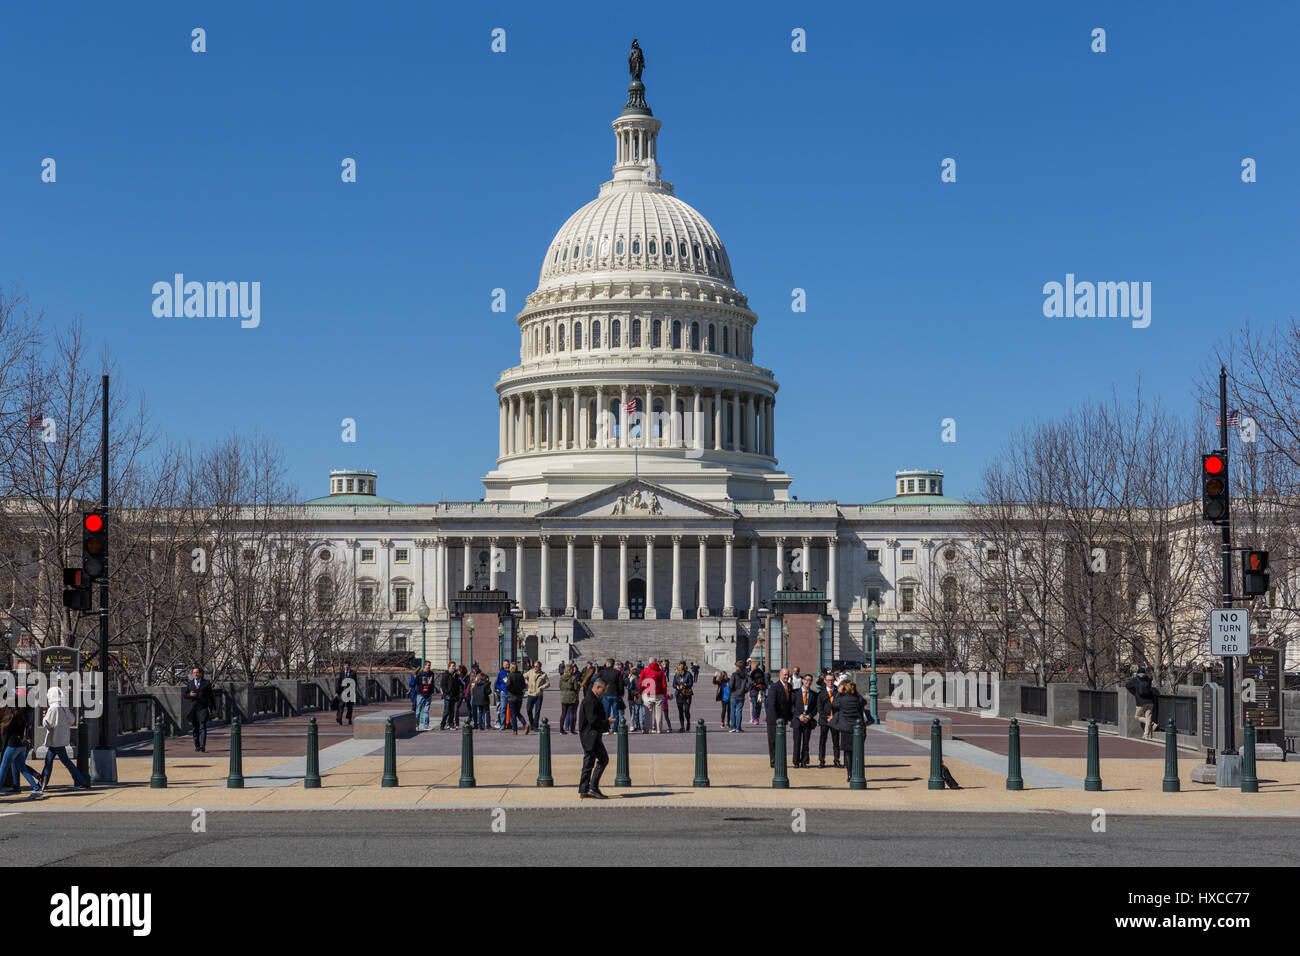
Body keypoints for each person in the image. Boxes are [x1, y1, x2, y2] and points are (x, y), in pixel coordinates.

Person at [40, 686, 89, 790]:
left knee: (64, 762)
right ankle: (43, 782)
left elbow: (48, 724)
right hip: (61, 739)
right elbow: (71, 720)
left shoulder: (53, 708)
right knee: (48, 762)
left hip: (55, 739)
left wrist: (44, 719)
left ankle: (80, 780)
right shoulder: (63, 707)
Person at [577, 678, 611, 798]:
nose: (604, 692)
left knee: (589, 762)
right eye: (603, 690)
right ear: (597, 687)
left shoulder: (592, 699)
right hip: (591, 736)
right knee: (603, 759)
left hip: (589, 736)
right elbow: (593, 720)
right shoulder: (591, 700)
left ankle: (584, 789)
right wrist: (607, 723)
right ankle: (593, 787)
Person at [829, 680, 868, 782]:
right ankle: (856, 771)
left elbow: (834, 704)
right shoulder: (857, 699)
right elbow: (864, 702)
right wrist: (856, 692)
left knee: (847, 751)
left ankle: (849, 774)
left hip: (846, 728)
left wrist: (839, 692)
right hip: (857, 728)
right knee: (857, 751)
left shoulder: (842, 699)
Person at [765, 667, 793, 768]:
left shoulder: (789, 686)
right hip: (774, 719)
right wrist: (776, 718)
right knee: (773, 741)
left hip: (783, 719)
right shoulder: (774, 687)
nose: (786, 676)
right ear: (780, 675)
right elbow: (771, 704)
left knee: (781, 741)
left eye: (787, 674)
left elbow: (789, 703)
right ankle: (773, 762)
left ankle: (780, 760)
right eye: (784, 675)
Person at [183, 666, 215, 752]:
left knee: (202, 727)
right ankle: (197, 745)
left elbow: (211, 697)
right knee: (195, 728)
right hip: (193, 709)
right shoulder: (190, 683)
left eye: (197, 672)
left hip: (203, 708)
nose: (195, 674)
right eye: (194, 673)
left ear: (200, 674)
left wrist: (213, 708)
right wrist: (190, 695)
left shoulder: (206, 683)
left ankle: (202, 746)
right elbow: (185, 695)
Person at [791, 673, 817, 768]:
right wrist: (799, 715)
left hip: (807, 721)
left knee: (806, 742)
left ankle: (804, 761)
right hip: (797, 720)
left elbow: (815, 708)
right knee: (797, 742)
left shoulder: (814, 694)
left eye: (810, 680)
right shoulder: (795, 692)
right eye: (806, 679)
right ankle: (796, 762)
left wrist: (809, 716)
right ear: (802, 680)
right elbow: (792, 706)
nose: (808, 682)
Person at [816, 672, 841, 768]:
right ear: (825, 681)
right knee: (822, 741)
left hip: (835, 721)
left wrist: (834, 717)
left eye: (832, 680)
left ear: (834, 681)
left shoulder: (838, 693)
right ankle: (822, 761)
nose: (830, 682)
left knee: (836, 742)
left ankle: (836, 760)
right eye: (828, 680)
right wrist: (826, 717)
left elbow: (840, 708)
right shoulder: (821, 694)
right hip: (824, 721)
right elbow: (819, 708)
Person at [1126, 666, 1157, 740]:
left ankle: (1152, 724)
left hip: (1140, 702)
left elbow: (1127, 685)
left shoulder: (1135, 679)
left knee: (1137, 717)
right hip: (1150, 701)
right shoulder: (1148, 679)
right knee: (1148, 717)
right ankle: (1146, 735)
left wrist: (1135, 693)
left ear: (1138, 673)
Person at [597, 658, 624, 732]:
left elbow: (597, 679)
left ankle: (606, 729)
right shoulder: (617, 672)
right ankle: (615, 729)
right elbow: (621, 685)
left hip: (605, 694)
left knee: (606, 712)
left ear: (608, 664)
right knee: (615, 713)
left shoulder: (602, 672)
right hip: (615, 694)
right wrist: (621, 694)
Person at [524, 660, 550, 733]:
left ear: (540, 667)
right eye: (534, 666)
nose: (535, 667)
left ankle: (535, 726)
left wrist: (541, 687)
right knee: (528, 710)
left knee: (537, 711)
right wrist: (527, 682)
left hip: (539, 695)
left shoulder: (543, 674)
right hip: (531, 694)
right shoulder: (530, 672)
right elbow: (523, 677)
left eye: (536, 666)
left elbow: (548, 683)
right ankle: (532, 723)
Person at [640, 660, 665, 734]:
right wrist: (664, 692)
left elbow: (641, 682)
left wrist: (640, 691)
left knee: (648, 712)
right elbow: (664, 684)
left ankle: (647, 729)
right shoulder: (660, 672)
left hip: (647, 693)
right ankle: (658, 729)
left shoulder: (644, 671)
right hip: (658, 693)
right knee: (658, 712)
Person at [505, 662, 528, 734]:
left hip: (512, 697)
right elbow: (524, 685)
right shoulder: (521, 675)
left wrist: (509, 689)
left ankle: (515, 730)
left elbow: (508, 686)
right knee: (517, 712)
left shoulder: (510, 675)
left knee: (513, 714)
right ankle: (525, 724)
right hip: (519, 697)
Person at [727, 662, 751, 732]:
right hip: (741, 695)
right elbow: (750, 683)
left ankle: (733, 727)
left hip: (734, 695)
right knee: (739, 711)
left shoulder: (734, 674)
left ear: (737, 667)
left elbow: (730, 685)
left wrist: (731, 691)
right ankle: (738, 728)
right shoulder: (746, 675)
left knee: (733, 711)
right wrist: (745, 690)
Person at [439, 662, 462, 731]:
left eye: (454, 666)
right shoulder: (446, 674)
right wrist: (446, 693)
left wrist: (458, 695)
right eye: (452, 666)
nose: (453, 667)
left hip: (454, 696)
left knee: (452, 711)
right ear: (449, 667)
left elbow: (458, 685)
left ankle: (451, 724)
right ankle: (442, 724)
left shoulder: (456, 675)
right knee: (446, 711)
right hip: (448, 696)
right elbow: (442, 685)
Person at [672, 661, 694, 732]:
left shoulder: (688, 674)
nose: (679, 671)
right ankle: (682, 727)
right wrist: (677, 686)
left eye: (680, 669)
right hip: (679, 695)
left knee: (686, 711)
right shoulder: (676, 675)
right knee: (680, 711)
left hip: (687, 695)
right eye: (678, 669)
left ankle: (688, 722)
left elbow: (691, 683)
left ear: (683, 669)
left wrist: (684, 685)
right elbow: (674, 684)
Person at [335, 659, 358, 725]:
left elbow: (355, 683)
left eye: (347, 665)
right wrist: (337, 692)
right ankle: (339, 719)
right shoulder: (341, 673)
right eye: (345, 665)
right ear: (344, 666)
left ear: (349, 666)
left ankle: (349, 719)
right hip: (342, 692)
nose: (346, 666)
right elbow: (339, 683)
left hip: (350, 692)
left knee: (349, 706)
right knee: (341, 705)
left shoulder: (353, 673)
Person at [559, 664, 580, 734]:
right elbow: (576, 688)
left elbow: (560, 686)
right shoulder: (573, 678)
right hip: (571, 696)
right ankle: (572, 730)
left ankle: (561, 729)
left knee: (563, 713)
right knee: (571, 713)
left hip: (564, 695)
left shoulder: (561, 677)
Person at [415, 662, 437, 730]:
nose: (429, 666)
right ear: (424, 666)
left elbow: (432, 684)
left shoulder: (431, 674)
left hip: (428, 695)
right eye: (428, 665)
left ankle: (426, 726)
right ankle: (416, 725)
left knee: (426, 711)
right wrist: (420, 692)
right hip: (420, 695)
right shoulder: (420, 674)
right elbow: (417, 684)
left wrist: (430, 692)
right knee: (418, 711)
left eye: (430, 665)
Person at [749, 660, 766, 725]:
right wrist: (754, 684)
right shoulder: (752, 674)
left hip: (760, 692)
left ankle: (757, 717)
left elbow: (764, 683)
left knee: (758, 706)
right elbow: (750, 682)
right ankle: (755, 718)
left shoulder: (763, 675)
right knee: (755, 705)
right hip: (754, 691)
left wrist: (762, 687)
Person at [495, 662, 511, 729]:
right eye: (506, 665)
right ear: (503, 666)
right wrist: (501, 689)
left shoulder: (511, 672)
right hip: (503, 693)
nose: (507, 666)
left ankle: (510, 724)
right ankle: (502, 725)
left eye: (508, 664)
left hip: (511, 693)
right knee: (503, 709)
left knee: (511, 709)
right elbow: (497, 683)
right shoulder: (501, 673)